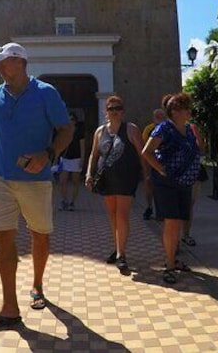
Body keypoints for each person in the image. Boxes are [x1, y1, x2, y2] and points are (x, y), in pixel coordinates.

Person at [0, 42, 74, 333]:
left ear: (20, 62)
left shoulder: (46, 93)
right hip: (0, 179)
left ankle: (37, 284)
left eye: (4, 62)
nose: (0, 68)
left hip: (36, 180)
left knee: (39, 235)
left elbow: (66, 129)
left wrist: (47, 154)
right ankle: (9, 308)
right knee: (2, 239)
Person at [141, 92, 203, 284]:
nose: (189, 112)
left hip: (184, 183)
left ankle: (173, 259)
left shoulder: (189, 129)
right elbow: (147, 152)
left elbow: (199, 149)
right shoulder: (164, 129)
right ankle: (169, 265)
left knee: (177, 223)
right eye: (185, 108)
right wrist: (162, 170)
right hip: (167, 184)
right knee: (172, 222)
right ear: (174, 111)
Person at [85, 95, 145, 276]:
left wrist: (147, 175)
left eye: (118, 108)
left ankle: (121, 254)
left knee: (122, 214)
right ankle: (119, 248)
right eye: (111, 108)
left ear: (123, 111)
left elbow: (142, 153)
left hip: (126, 177)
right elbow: (93, 155)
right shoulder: (99, 131)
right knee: (112, 215)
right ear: (106, 111)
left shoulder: (131, 129)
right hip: (106, 178)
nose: (115, 111)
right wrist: (89, 173)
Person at [140, 108, 166, 220]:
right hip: (151, 162)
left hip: (164, 163)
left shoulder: (168, 128)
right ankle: (149, 207)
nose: (159, 117)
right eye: (157, 115)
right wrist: (145, 168)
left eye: (161, 115)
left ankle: (161, 211)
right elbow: (144, 148)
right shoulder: (149, 129)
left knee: (162, 187)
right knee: (149, 184)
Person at [58, 112, 85, 211]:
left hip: (76, 158)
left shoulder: (79, 132)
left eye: (72, 119)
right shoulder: (63, 131)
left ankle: (72, 202)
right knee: (62, 181)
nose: (70, 121)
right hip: (64, 158)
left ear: (75, 121)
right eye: (68, 119)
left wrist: (82, 158)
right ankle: (64, 200)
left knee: (75, 181)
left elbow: (82, 145)